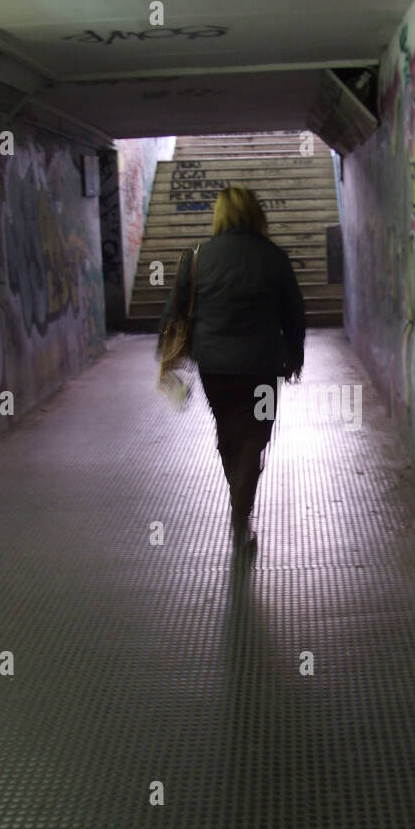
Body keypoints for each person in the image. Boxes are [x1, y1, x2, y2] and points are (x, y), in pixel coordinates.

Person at [158, 185, 306, 555]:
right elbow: (295, 313)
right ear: (257, 214)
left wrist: (166, 355)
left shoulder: (197, 257)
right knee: (256, 438)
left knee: (228, 435)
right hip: (263, 369)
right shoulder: (274, 257)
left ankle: (238, 502)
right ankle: (241, 517)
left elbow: (173, 311)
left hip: (216, 369)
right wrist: (295, 356)